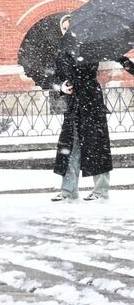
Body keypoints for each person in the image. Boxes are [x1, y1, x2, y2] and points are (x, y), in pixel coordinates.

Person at [50, 13, 134, 202]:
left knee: (97, 147)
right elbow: (54, 79)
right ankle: (68, 192)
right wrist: (61, 87)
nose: (68, 31)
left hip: (92, 103)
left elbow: (119, 57)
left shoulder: (93, 46)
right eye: (64, 28)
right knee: (70, 149)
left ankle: (100, 191)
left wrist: (128, 65)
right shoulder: (61, 53)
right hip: (73, 107)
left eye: (71, 27)